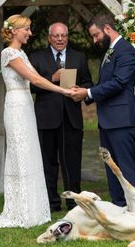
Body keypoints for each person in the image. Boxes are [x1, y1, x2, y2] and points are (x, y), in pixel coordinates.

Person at [0, 15, 71, 228]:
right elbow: (35, 80)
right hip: (16, 105)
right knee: (20, 153)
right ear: (14, 31)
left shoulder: (21, 53)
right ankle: (20, 209)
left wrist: (58, 80)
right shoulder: (8, 53)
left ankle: (33, 207)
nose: (29, 32)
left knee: (31, 152)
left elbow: (39, 77)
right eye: (26, 29)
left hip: (27, 104)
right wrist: (63, 90)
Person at [71, 13, 135, 207]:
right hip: (108, 120)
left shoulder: (125, 50)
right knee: (112, 166)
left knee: (125, 165)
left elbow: (119, 83)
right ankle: (119, 206)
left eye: (96, 35)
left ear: (107, 29)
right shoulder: (110, 51)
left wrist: (88, 92)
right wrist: (85, 93)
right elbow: (106, 83)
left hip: (121, 120)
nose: (94, 40)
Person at [29, 22, 93, 212]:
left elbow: (88, 82)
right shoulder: (36, 57)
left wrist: (80, 90)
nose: (60, 39)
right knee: (48, 163)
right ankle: (51, 203)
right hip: (46, 119)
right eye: (56, 36)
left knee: (72, 162)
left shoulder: (79, 57)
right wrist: (52, 79)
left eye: (63, 36)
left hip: (71, 118)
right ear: (49, 37)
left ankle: (74, 203)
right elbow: (31, 87)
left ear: (67, 37)